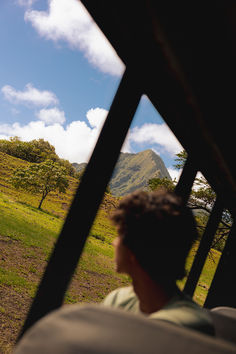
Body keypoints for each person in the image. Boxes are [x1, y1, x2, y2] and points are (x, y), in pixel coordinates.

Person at [102, 188, 214, 335]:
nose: (114, 242)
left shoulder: (187, 327)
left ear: (135, 249)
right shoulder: (117, 299)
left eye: (119, 236)